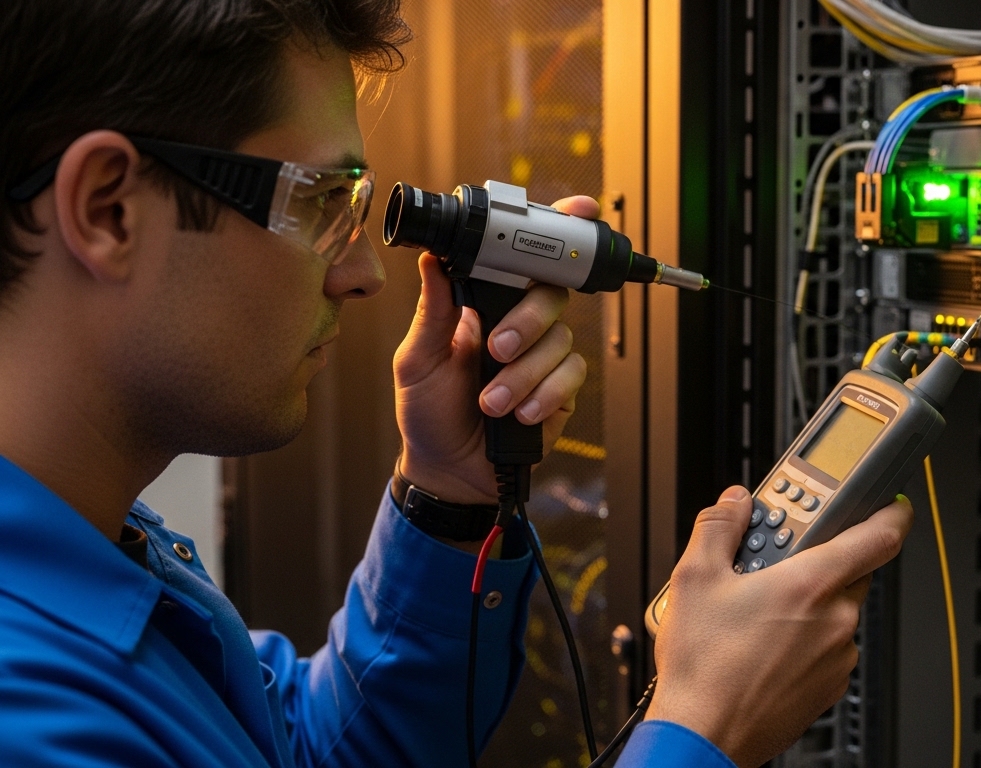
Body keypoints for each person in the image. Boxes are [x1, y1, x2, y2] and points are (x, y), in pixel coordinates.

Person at [0, 1, 914, 766]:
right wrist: (701, 732)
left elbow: (318, 755)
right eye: (321, 201)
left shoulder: (111, 552)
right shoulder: (34, 717)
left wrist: (447, 497)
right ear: (108, 210)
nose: (361, 274)